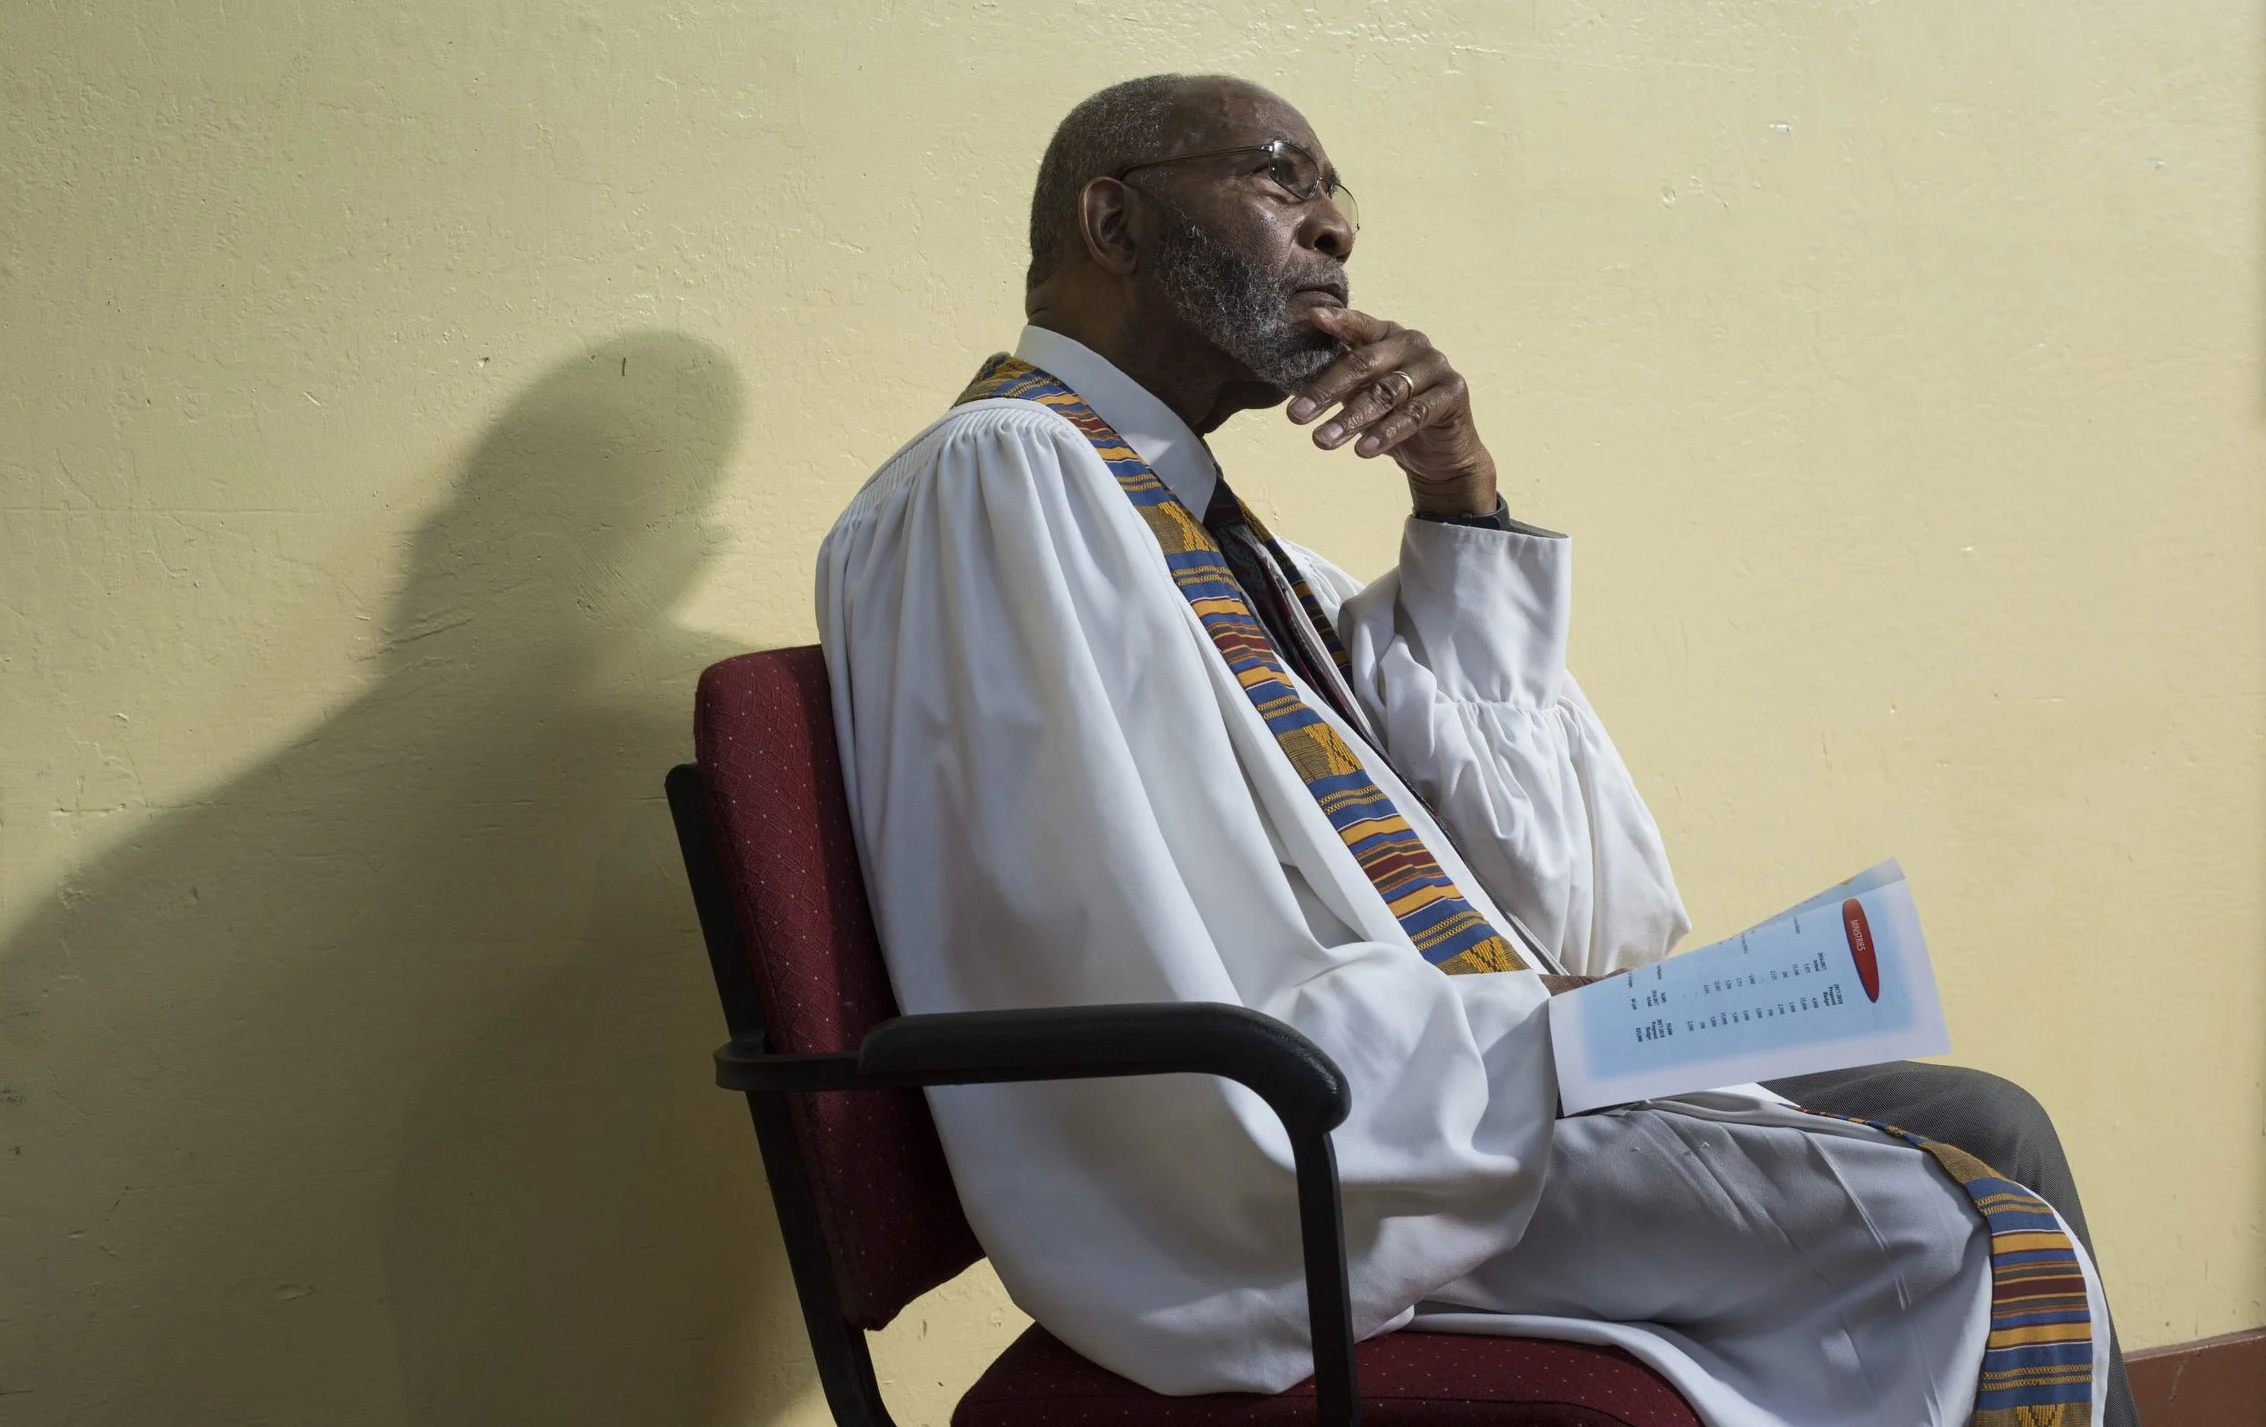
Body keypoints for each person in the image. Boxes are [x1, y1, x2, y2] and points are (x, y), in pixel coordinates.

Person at [816, 73, 2129, 1427]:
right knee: (1957, 1220)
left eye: (1342, 202)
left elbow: (1563, 894)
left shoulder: (1221, 542)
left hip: (1420, 1080)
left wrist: (1457, 489)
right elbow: (1116, 933)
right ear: (1113, 220)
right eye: (1285, 179)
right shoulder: (1003, 481)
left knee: (1990, 1120)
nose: (1333, 230)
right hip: (1293, 1153)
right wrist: (1537, 1034)